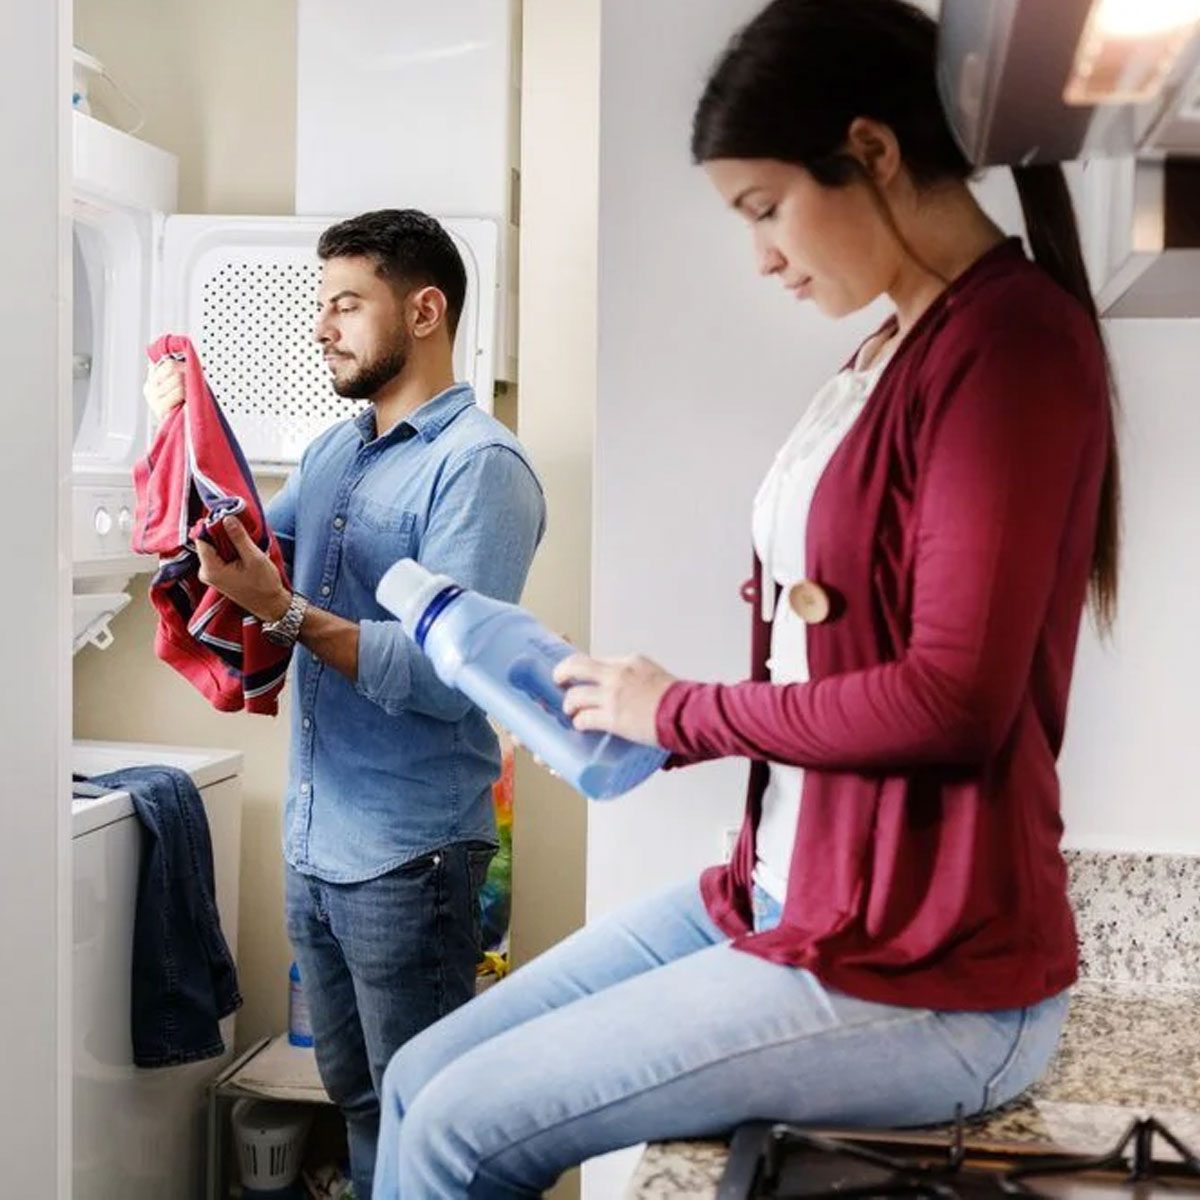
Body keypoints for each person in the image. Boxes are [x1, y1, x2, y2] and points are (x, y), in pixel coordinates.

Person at [368, 1, 1122, 1196]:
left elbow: (953, 701)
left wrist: (681, 712)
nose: (763, 256)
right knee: (419, 1077)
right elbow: (833, 663)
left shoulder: (1011, 345)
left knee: (458, 1128)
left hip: (931, 972)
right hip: (783, 893)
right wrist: (632, 715)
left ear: (871, 152)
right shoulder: (888, 350)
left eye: (765, 209)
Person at [145, 209, 546, 1199]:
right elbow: (251, 548)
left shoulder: (479, 469)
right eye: (321, 305)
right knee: (358, 1100)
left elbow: (441, 673)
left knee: (425, 1115)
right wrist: (182, 434)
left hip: (412, 857)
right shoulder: (335, 451)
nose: (322, 327)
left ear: (424, 311)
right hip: (317, 844)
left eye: (347, 304)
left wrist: (280, 611)